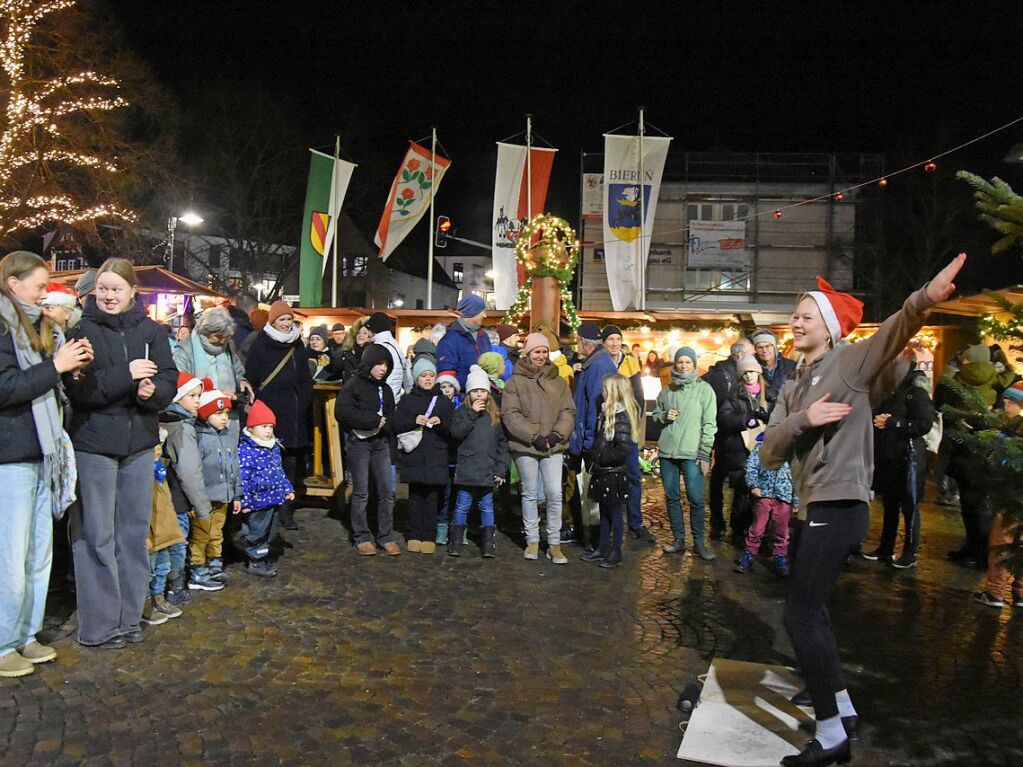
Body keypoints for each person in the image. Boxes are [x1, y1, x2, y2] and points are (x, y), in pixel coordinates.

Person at [762, 258, 963, 767]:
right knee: (814, 611)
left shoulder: (849, 363)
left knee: (799, 614)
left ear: (828, 328)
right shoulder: (793, 383)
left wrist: (924, 298)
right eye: (796, 313)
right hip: (814, 506)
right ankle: (843, 706)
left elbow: (896, 330)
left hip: (841, 502)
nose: (797, 321)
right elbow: (768, 449)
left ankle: (831, 736)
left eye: (808, 315)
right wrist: (803, 418)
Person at [65, 257, 177, 649]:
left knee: (132, 535)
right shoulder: (80, 330)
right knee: (97, 535)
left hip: (139, 444)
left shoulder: (152, 330)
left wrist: (154, 393)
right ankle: (99, 625)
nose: (109, 295)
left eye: (117, 288)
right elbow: (80, 391)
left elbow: (168, 376)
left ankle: (130, 617)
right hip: (94, 443)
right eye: (104, 288)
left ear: (132, 292)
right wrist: (126, 375)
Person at [0, 251, 93, 678]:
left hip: (44, 450)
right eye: (38, 285)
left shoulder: (40, 326)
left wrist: (71, 370)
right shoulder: (3, 326)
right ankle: (3, 643)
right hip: (11, 455)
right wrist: (56, 366)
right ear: (12, 282)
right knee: (10, 555)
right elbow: (5, 389)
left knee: (39, 554)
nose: (45, 292)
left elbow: (45, 384)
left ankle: (25, 634)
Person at [501, 332, 576, 563]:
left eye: (544, 351)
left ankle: (554, 543)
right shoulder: (515, 382)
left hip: (554, 445)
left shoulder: (558, 381)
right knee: (530, 493)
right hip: (526, 446)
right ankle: (532, 539)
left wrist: (556, 435)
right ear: (528, 353)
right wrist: (534, 436)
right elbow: (510, 415)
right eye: (537, 352)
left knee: (554, 493)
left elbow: (568, 411)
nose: (541, 356)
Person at [861, 354, 935, 569]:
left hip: (908, 458)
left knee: (910, 506)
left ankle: (910, 552)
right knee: (890, 504)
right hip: (889, 457)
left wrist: (893, 422)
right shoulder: (888, 392)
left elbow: (924, 424)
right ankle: (885, 548)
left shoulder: (916, 394)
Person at [244, 300, 312, 531]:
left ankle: (286, 509)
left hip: (293, 411)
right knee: (268, 457)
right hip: (270, 409)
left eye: (289, 319)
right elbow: (252, 374)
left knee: (290, 460)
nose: (286, 324)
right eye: (282, 319)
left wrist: (302, 403)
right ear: (273, 321)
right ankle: (266, 505)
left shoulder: (297, 344)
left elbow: (304, 378)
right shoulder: (261, 343)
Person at [334, 344, 400, 556]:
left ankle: (385, 535)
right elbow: (342, 412)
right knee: (361, 491)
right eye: (379, 363)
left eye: (386, 365)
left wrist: (388, 428)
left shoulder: (386, 389)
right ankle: (361, 536)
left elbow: (391, 415)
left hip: (380, 443)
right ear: (370, 363)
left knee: (386, 491)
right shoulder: (354, 384)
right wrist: (371, 420)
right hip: (359, 442)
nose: (383, 368)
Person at [652, 347, 718, 560]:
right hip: (668, 452)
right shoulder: (667, 390)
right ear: (675, 364)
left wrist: (705, 452)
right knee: (672, 498)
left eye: (688, 362)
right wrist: (663, 415)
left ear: (694, 364)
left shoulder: (704, 390)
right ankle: (679, 539)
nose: (683, 366)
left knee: (696, 498)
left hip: (692, 453)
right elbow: (655, 414)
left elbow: (710, 424)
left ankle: (699, 542)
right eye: (680, 362)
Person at [392, 357, 454, 554]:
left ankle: (429, 535)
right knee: (415, 496)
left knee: (432, 497)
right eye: (423, 376)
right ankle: (414, 534)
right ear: (416, 378)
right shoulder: (408, 400)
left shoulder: (444, 402)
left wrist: (441, 422)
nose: (428, 379)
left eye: (431, 376)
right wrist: (413, 420)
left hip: (436, 455)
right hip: (416, 455)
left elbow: (452, 429)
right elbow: (396, 424)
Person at [580, 373, 642, 569]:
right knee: (604, 511)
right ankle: (603, 546)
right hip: (605, 470)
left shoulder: (620, 416)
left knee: (614, 513)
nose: (602, 393)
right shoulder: (607, 412)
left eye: (605, 389)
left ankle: (616, 550)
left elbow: (622, 448)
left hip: (613, 471)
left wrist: (601, 459)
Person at [603, 324, 656, 545]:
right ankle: (607, 524)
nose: (614, 343)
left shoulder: (630, 362)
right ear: (604, 342)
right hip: (606, 426)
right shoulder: (599, 361)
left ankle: (635, 523)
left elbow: (638, 396)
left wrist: (631, 421)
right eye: (610, 339)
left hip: (627, 425)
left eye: (617, 339)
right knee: (607, 476)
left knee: (633, 475)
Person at [448, 364, 509, 558]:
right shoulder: (462, 412)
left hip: (487, 469)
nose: (479, 395)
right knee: (462, 505)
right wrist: (472, 413)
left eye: (483, 391)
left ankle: (488, 543)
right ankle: (455, 541)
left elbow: (502, 445)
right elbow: (457, 433)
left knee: (487, 506)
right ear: (469, 394)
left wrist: (501, 469)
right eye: (475, 391)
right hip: (467, 469)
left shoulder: (495, 416)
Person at [159, 372, 211, 601]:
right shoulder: (181, 427)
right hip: (177, 496)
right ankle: (175, 587)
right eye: (192, 396)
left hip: (164, 493)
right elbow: (189, 471)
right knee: (178, 542)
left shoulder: (166, 420)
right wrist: (202, 507)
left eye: (199, 395)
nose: (198, 401)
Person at [972, 382, 1023, 608]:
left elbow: (1004, 459)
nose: (1005, 405)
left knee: (1002, 541)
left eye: (1010, 402)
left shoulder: (1015, 430)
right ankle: (1020, 594)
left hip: (1011, 494)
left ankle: (996, 593)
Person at [173, 306, 253, 443]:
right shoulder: (185, 349)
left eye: (226, 337)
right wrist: (214, 394)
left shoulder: (228, 346)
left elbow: (237, 368)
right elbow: (181, 384)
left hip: (228, 414)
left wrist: (241, 381)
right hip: (198, 419)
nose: (222, 341)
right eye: (218, 336)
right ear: (205, 331)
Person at [189, 384, 240, 589]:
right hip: (205, 496)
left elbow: (234, 466)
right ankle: (197, 568)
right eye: (218, 413)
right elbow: (194, 471)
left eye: (226, 412)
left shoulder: (228, 437)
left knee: (216, 532)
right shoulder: (199, 437)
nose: (224, 417)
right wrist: (194, 500)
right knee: (201, 534)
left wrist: (237, 494)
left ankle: (214, 562)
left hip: (223, 495)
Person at [716, 356, 771, 545]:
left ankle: (760, 532)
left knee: (763, 494)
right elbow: (723, 419)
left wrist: (768, 416)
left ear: (758, 373)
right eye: (745, 373)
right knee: (742, 493)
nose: (748, 376)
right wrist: (743, 420)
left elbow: (782, 418)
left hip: (765, 451)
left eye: (752, 372)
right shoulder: (734, 394)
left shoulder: (770, 394)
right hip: (740, 451)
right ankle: (739, 532)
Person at [238, 400, 295, 577]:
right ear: (252, 428)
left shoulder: (273, 446)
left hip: (273, 498)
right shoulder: (247, 449)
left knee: (270, 530)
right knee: (257, 530)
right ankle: (255, 560)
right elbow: (243, 478)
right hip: (257, 501)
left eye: (270, 426)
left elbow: (279, 470)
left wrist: (287, 489)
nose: (268, 430)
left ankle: (261, 556)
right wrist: (245, 500)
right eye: (263, 426)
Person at [704, 338, 754, 539]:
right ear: (740, 355)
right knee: (725, 479)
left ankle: (731, 524)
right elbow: (718, 410)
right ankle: (722, 523)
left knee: (731, 480)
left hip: (736, 437)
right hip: (725, 436)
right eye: (752, 353)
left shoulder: (740, 372)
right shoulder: (723, 375)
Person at [736, 432, 796, 576]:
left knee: (782, 530)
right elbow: (751, 466)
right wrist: (754, 485)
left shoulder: (794, 449)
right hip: (764, 493)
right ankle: (749, 555)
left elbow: (798, 474)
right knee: (757, 528)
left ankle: (780, 557)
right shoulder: (763, 445)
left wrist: (796, 498)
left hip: (784, 494)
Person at [143, 436, 185, 625]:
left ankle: (158, 596)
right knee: (148, 570)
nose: (157, 450)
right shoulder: (142, 473)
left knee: (162, 567)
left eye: (159, 445)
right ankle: (145, 603)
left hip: (165, 529)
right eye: (153, 446)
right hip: (150, 533)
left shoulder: (161, 468)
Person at [437, 294, 492, 391]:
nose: (485, 315)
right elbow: (446, 373)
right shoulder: (450, 340)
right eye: (481, 312)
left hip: (484, 393)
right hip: (462, 397)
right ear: (471, 312)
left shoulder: (483, 336)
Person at [365, 311, 407, 403]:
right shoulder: (394, 344)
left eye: (367, 330)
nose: (367, 333)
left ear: (373, 329)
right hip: (394, 398)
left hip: (383, 400)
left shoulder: (381, 347)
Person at [751, 329, 797, 410]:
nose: (764, 350)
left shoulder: (791, 366)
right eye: (760, 347)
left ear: (774, 346)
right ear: (755, 349)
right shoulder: (751, 368)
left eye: (768, 346)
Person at [334, 315, 371, 384]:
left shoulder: (373, 355)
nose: (360, 335)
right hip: (349, 391)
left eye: (365, 333)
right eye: (358, 333)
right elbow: (335, 371)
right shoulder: (347, 354)